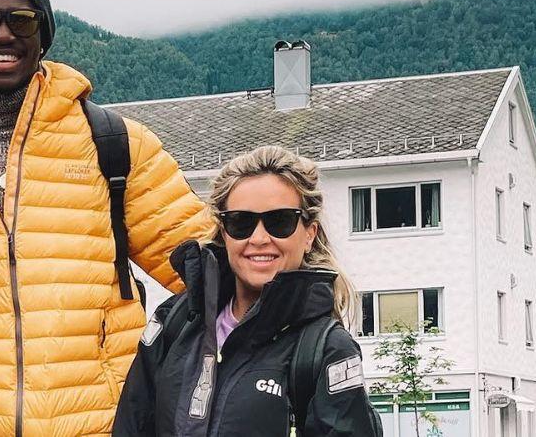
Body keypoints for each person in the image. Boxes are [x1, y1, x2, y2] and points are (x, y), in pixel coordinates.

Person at [0, 0, 214, 436]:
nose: (2, 34)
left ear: (44, 33)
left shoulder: (115, 144)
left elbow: (207, 275)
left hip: (100, 422)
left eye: (21, 19)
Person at [113, 146, 384, 436]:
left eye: (280, 221)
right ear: (224, 232)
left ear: (309, 234)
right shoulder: (175, 322)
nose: (258, 238)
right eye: (240, 222)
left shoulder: (325, 350)